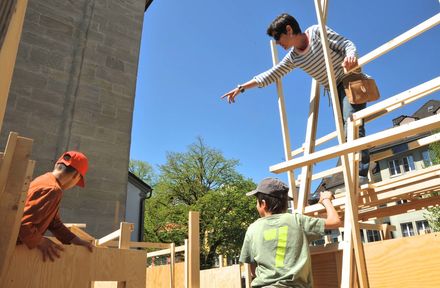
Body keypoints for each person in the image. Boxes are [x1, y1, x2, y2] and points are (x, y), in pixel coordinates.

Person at [221, 13, 370, 199]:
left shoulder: (316, 32)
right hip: (334, 90)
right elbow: (271, 74)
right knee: (345, 131)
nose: (277, 42)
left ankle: (360, 174)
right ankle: (350, 174)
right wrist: (242, 87)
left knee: (352, 123)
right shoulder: (294, 57)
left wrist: (350, 56)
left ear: (289, 30)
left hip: (349, 80)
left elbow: (346, 44)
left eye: (278, 37)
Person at [239, 177, 341, 287]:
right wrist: (326, 200)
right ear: (285, 204)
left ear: (263, 204)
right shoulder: (297, 221)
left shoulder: (252, 229)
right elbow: (334, 221)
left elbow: (252, 270)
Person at [18, 151, 94, 262]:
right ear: (76, 176)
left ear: (56, 165)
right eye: (78, 180)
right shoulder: (53, 190)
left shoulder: (43, 180)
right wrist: (41, 241)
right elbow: (23, 224)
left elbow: (54, 223)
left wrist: (76, 240)